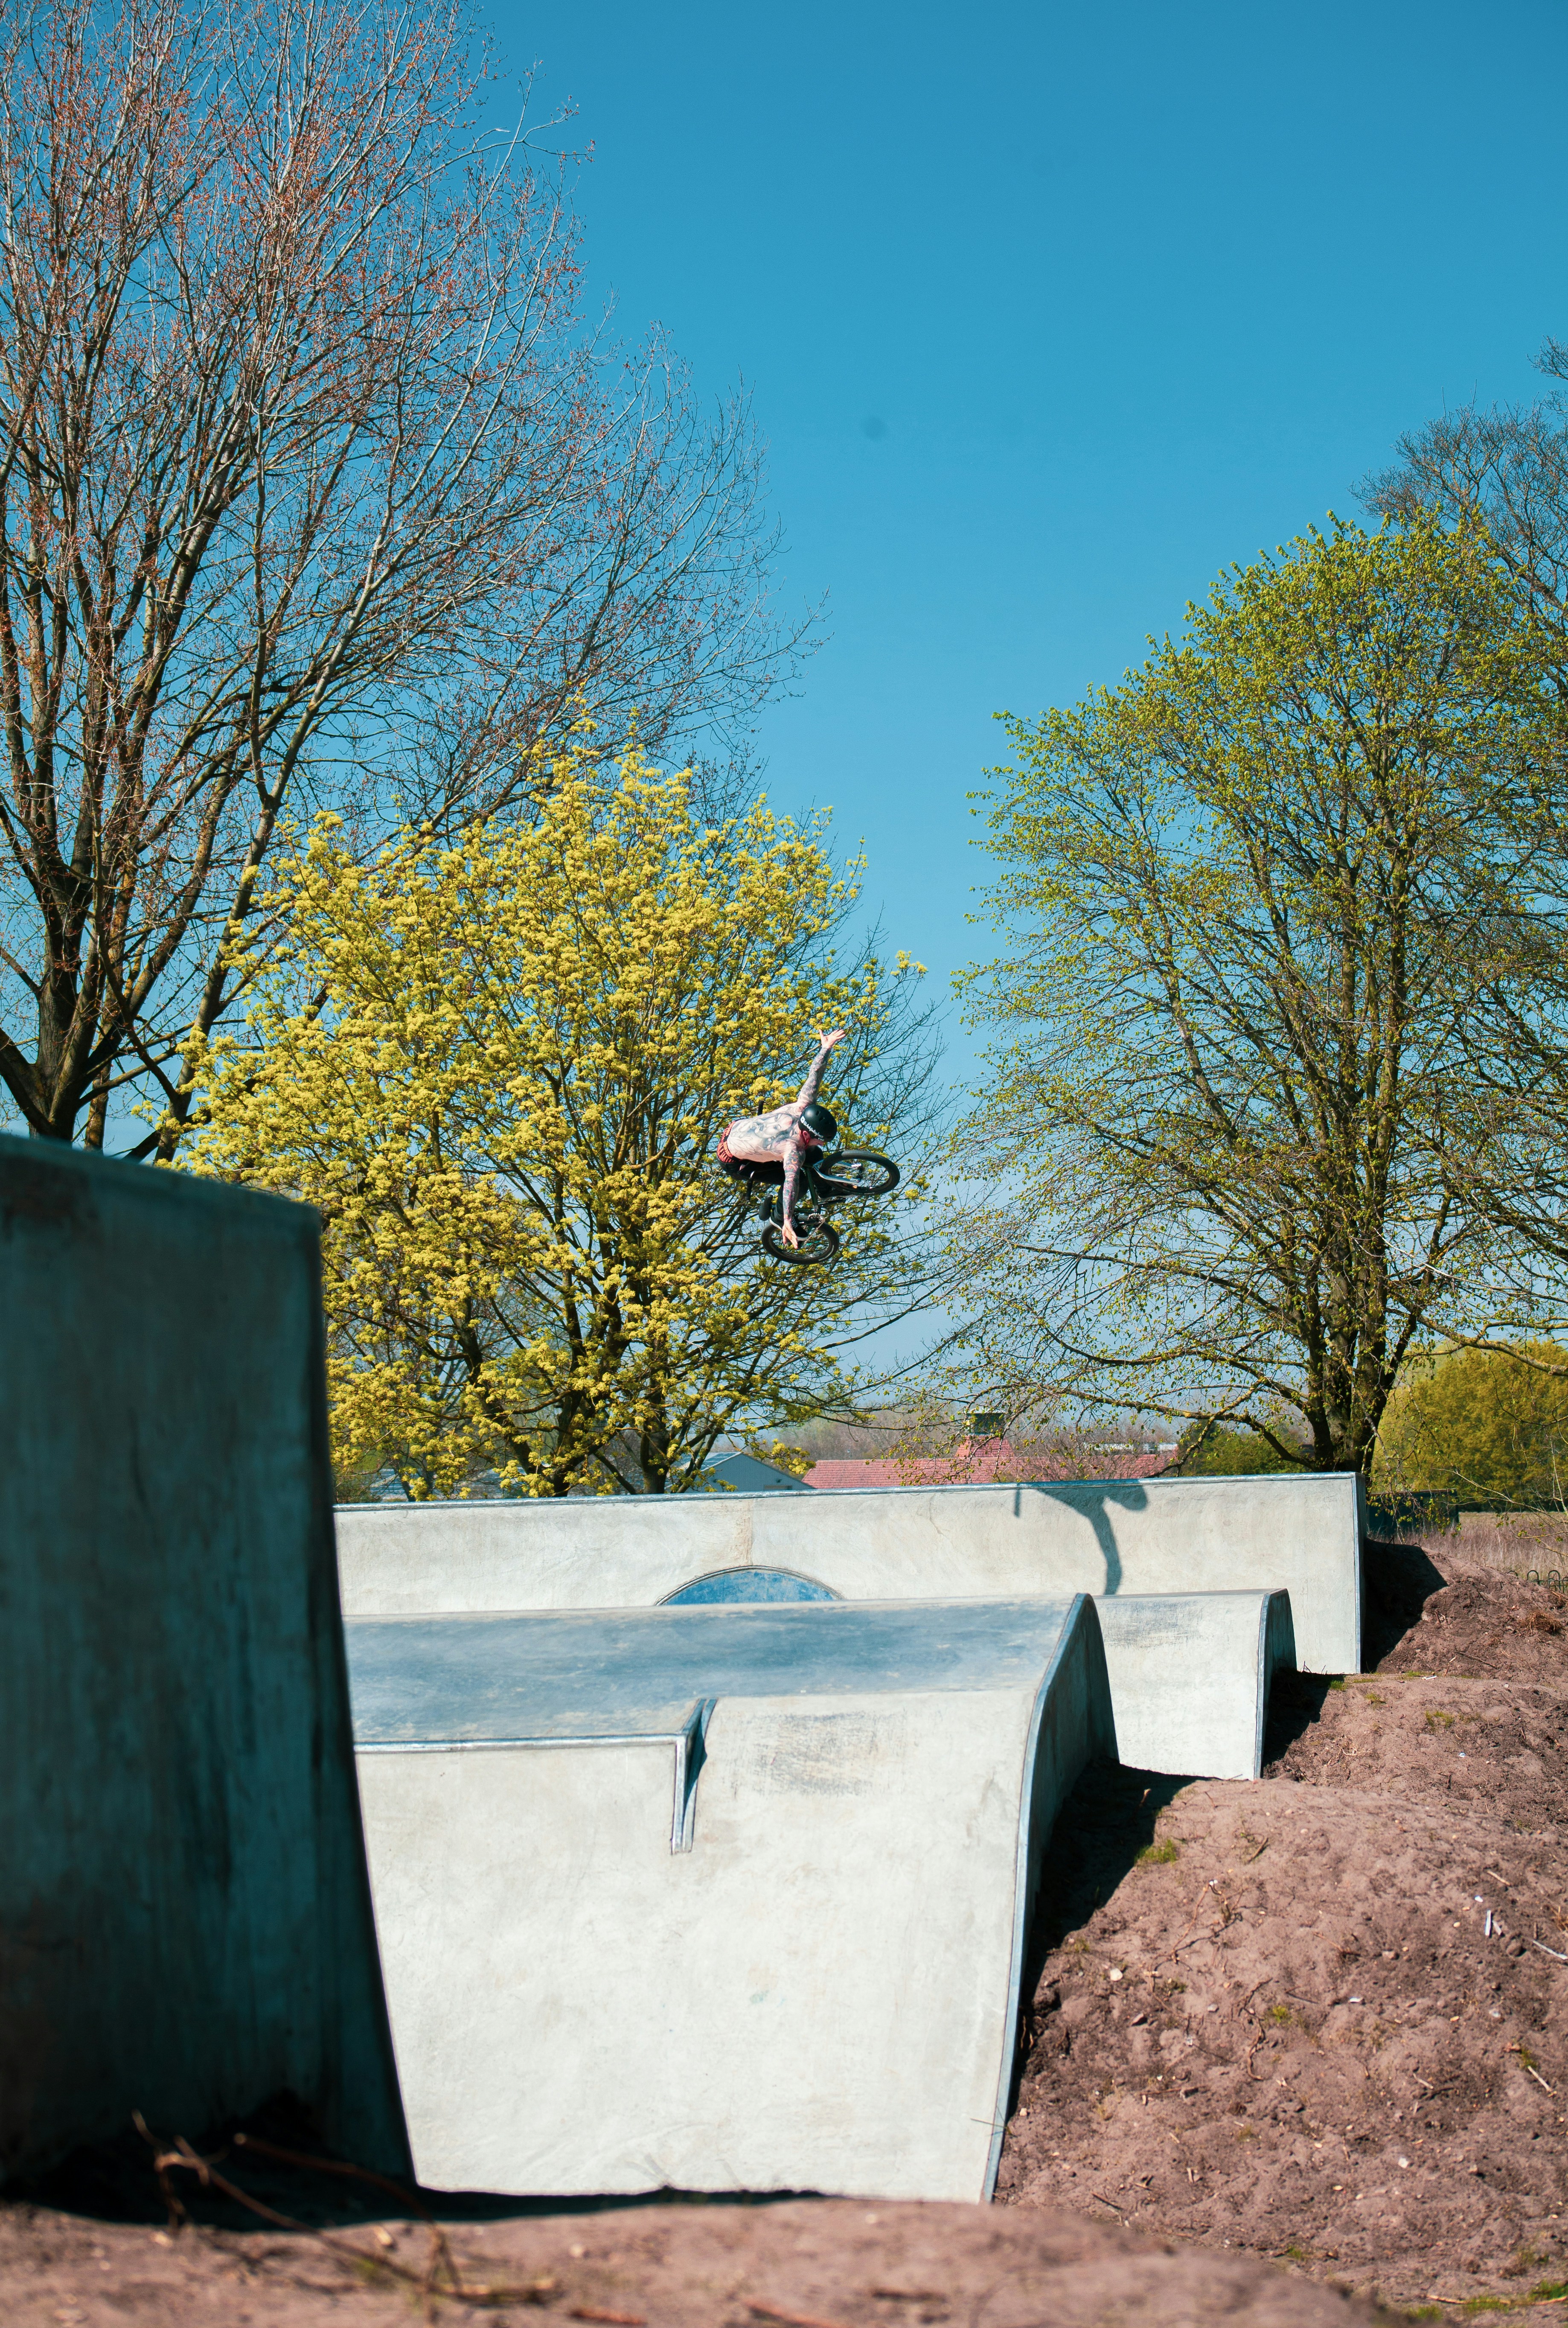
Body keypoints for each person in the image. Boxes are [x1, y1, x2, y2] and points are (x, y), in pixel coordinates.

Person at [717, 1026, 845, 1247]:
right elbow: (791, 1183)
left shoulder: (803, 1107)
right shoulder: (792, 1148)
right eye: (819, 1138)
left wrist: (826, 1048)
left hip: (735, 1129)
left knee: (814, 1152)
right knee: (803, 1177)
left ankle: (825, 1188)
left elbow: (815, 1076)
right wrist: (787, 1218)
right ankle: (777, 1218)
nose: (822, 1142)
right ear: (806, 1132)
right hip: (735, 1161)